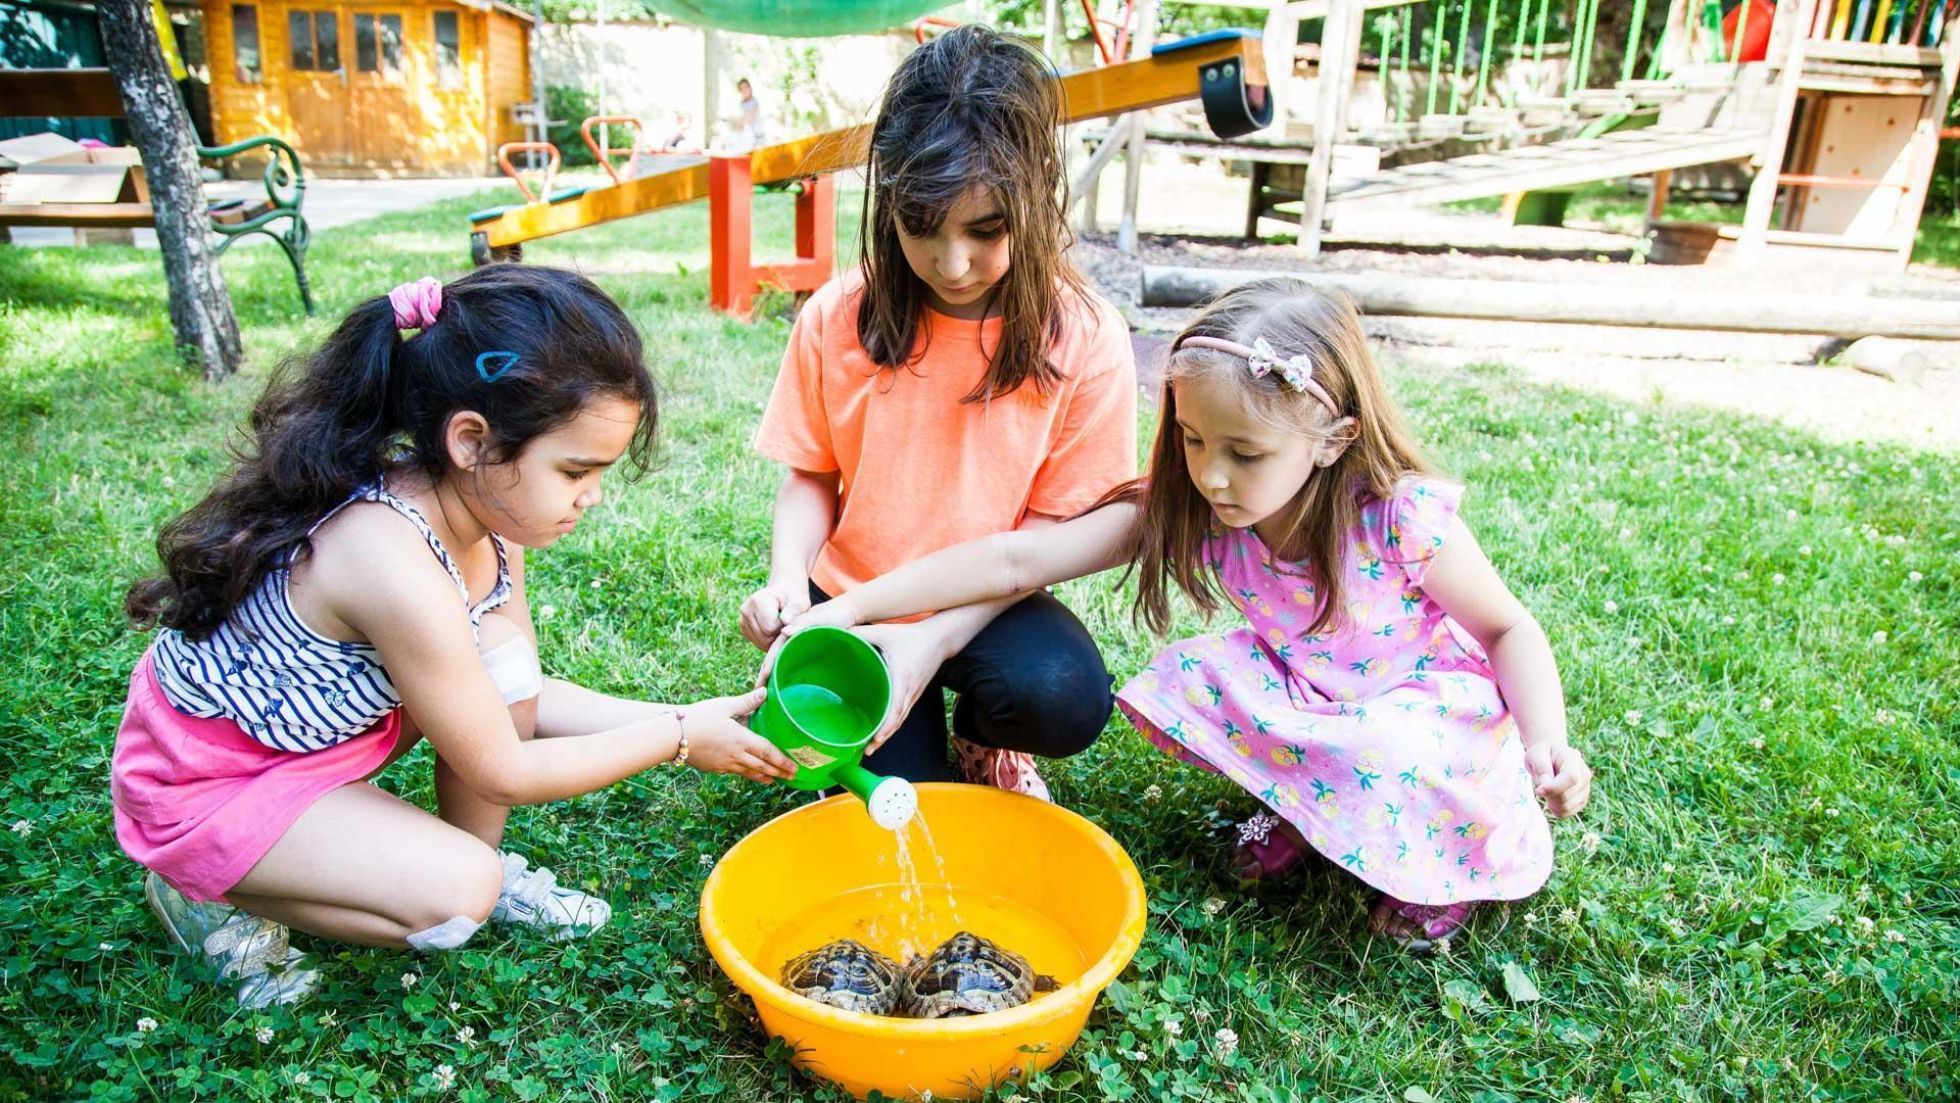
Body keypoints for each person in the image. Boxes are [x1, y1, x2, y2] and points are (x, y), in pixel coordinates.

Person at [783, 278, 1594, 951]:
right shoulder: (1193, 508)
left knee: (1384, 745)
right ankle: (1312, 814)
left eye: (1245, 453)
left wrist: (1545, 738)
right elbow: (1013, 560)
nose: (1211, 474)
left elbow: (1506, 628)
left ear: (1332, 438)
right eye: (1194, 439)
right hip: (1316, 689)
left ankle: (1434, 872)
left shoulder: (1396, 516)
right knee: (1204, 674)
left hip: (1424, 715)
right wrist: (847, 608)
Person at [113, 266, 795, 1006]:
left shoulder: (488, 521)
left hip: (311, 746)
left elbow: (520, 692)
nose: (591, 495)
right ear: (472, 440)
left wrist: (703, 712)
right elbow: (504, 767)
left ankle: (472, 856)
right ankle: (200, 887)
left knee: (506, 662)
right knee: (458, 892)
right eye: (575, 470)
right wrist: (678, 739)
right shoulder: (387, 558)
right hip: (209, 782)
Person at [739, 26, 1138, 799]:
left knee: (1062, 695)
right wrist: (789, 581)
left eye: (985, 231)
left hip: (990, 603)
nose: (951, 265)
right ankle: (901, 719)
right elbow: (810, 476)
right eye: (922, 228)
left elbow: (1040, 546)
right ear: (887, 200)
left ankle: (983, 738)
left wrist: (929, 640)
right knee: (900, 798)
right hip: (851, 597)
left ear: (1036, 194)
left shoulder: (1086, 335)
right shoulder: (837, 316)